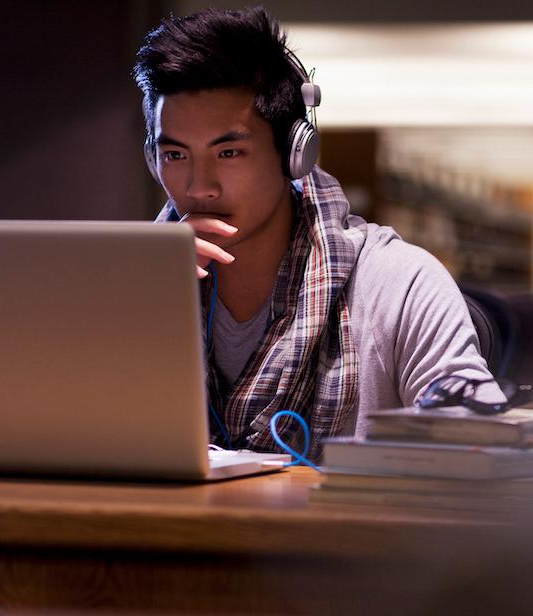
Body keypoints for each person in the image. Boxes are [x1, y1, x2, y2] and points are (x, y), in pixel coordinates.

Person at [132, 6, 496, 458]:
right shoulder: (135, 288)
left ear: (294, 154)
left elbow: (479, 447)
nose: (198, 187)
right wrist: (142, 307)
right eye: (175, 156)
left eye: (229, 153)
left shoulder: (399, 284)